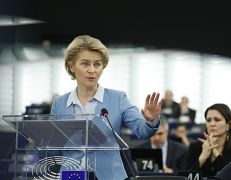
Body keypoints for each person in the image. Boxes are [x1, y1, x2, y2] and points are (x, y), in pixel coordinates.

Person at [50, 35, 165, 180]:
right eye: (85, 64)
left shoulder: (118, 99)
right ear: (72, 66)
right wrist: (40, 141)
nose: (92, 70)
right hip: (71, 176)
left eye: (97, 64)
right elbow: (53, 148)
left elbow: (142, 130)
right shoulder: (59, 103)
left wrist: (151, 120)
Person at [186, 103, 231, 178]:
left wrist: (216, 156)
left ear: (228, 124)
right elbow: (186, 177)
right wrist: (203, 157)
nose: (212, 124)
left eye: (217, 120)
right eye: (208, 120)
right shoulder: (195, 147)